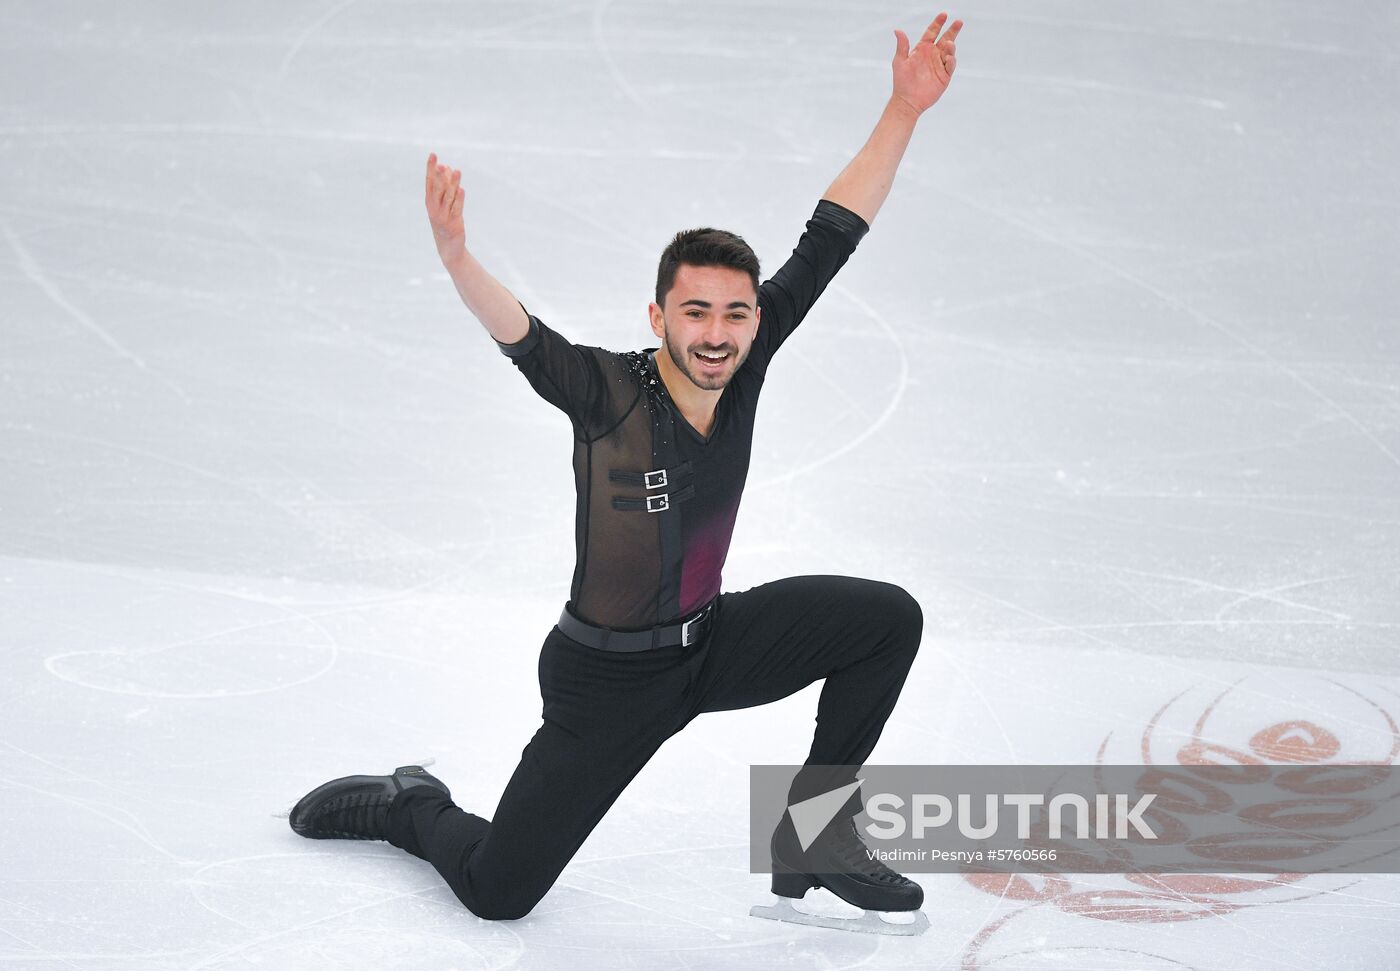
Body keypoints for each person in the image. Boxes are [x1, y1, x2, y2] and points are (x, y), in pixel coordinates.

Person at [289, 12, 962, 935]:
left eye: (735, 312)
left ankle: (818, 836)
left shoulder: (749, 356)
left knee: (884, 619)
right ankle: (407, 803)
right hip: (604, 684)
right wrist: (456, 256)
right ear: (660, 316)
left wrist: (904, 108)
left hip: (709, 642)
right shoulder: (606, 389)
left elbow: (832, 232)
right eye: (697, 312)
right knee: (498, 891)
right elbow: (521, 334)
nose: (718, 332)